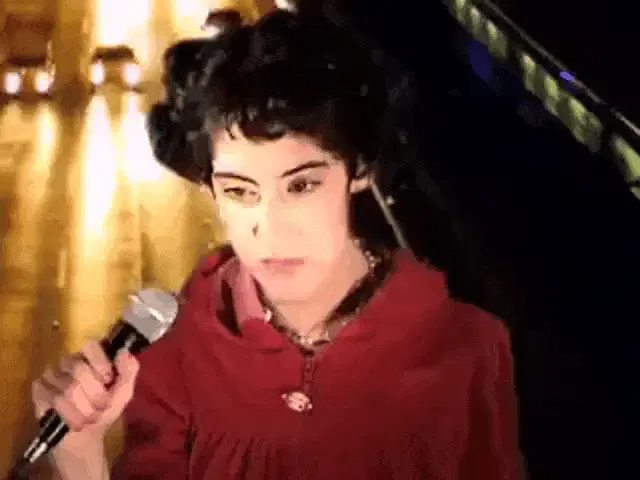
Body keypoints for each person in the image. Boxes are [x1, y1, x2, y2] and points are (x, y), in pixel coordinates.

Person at [31, 8, 523, 479]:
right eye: (240, 191)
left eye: (301, 186)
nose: (270, 228)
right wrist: (81, 461)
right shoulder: (173, 359)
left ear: (359, 169)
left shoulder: (466, 349)